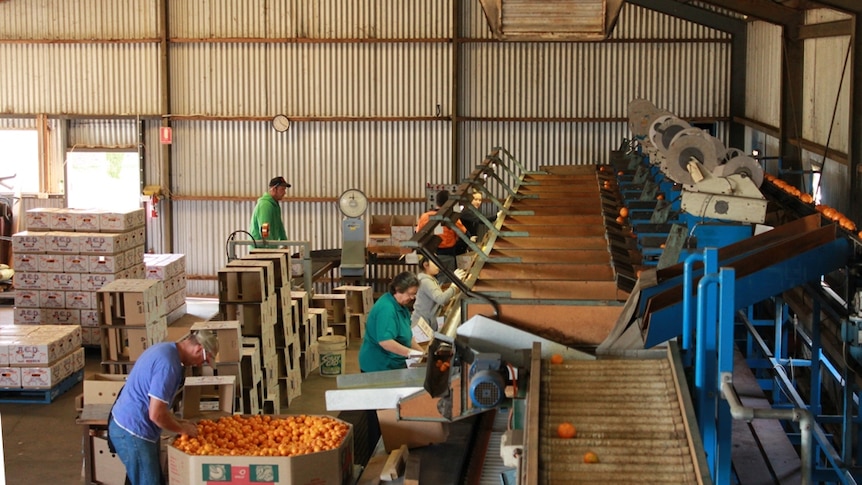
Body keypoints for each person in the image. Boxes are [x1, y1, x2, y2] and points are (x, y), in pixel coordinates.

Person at [108, 330, 219, 485]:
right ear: (199, 349)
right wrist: (182, 430)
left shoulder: (166, 349)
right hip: (132, 430)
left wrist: (179, 422)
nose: (200, 365)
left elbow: (157, 407)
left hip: (132, 425)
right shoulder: (169, 366)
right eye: (204, 360)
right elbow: (156, 415)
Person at [359, 271, 425, 372]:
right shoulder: (387, 309)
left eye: (414, 294)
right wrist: (410, 353)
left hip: (394, 363)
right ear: (398, 289)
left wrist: (422, 354)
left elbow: (407, 337)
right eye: (410, 294)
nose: (412, 298)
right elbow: (385, 341)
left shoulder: (401, 307)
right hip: (379, 366)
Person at [416, 190, 468, 283]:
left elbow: (417, 234)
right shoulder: (452, 218)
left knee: (428, 282)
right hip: (447, 256)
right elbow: (464, 234)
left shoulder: (424, 216)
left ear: (436, 202)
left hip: (428, 256)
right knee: (445, 284)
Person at [412, 255, 465, 332]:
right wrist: (454, 286)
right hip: (422, 325)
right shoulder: (426, 281)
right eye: (435, 263)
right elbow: (441, 299)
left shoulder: (430, 279)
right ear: (426, 265)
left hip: (427, 321)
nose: (438, 265)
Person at [249, 176, 291, 242]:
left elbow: (279, 226)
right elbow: (264, 230)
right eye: (282, 189)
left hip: (269, 246)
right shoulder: (265, 205)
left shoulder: (275, 205)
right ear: (274, 189)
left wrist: (285, 242)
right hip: (261, 248)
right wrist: (271, 248)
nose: (284, 192)